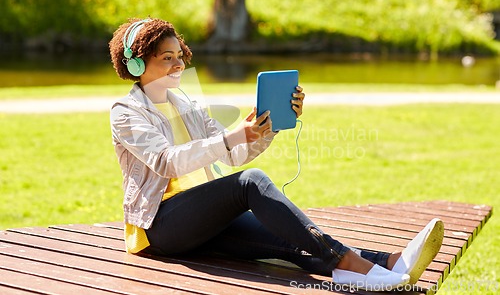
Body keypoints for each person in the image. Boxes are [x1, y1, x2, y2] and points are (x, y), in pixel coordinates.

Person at [109, 17, 444, 291]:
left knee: (285, 240)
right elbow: (168, 160)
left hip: (200, 219)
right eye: (167, 58)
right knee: (249, 183)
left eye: (179, 55)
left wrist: (266, 126)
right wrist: (230, 136)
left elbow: (233, 156)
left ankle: (387, 263)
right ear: (137, 64)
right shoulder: (126, 112)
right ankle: (355, 266)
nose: (178, 64)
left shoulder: (185, 103)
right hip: (159, 227)